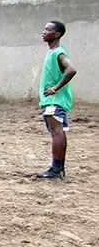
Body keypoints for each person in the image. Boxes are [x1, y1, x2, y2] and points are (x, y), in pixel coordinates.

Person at [36, 21, 77, 179]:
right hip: (55, 100)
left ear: (57, 34)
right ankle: (59, 168)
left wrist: (54, 88)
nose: (44, 31)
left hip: (54, 100)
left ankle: (56, 169)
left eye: (48, 29)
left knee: (56, 132)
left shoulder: (58, 53)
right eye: (44, 28)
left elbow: (72, 70)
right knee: (59, 132)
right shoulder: (53, 52)